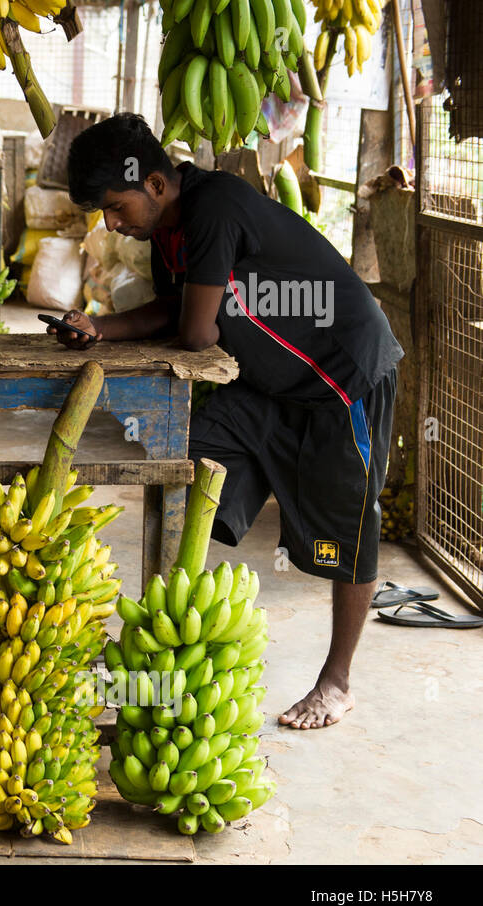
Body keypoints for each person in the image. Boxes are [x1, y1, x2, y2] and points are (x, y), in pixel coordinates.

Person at [58, 113, 403, 730]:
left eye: (115, 207)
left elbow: (194, 331)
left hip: (340, 376)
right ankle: (169, 648)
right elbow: (179, 310)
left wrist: (204, 319)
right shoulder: (166, 231)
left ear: (157, 185)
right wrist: (99, 328)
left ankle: (337, 682)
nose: (111, 224)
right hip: (268, 385)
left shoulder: (215, 207)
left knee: (348, 528)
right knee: (187, 469)